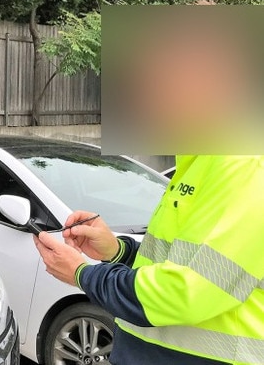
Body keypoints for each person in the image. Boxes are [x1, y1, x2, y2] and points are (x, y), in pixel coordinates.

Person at [34, 155, 264, 364]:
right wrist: (117, 251)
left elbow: (183, 293)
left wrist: (83, 274)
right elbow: (176, 259)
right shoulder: (198, 161)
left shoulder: (245, 167)